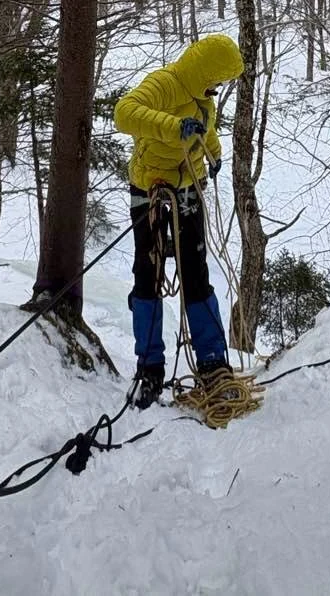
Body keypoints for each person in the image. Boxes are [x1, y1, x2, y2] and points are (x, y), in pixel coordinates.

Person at [113, 32, 244, 409]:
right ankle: (149, 365)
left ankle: (212, 361)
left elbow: (207, 130)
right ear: (206, 70)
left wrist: (214, 153)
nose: (219, 86)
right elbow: (125, 113)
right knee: (147, 273)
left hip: (189, 188)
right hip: (150, 190)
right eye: (218, 78)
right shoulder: (164, 84)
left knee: (195, 273)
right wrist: (172, 127)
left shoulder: (203, 98)